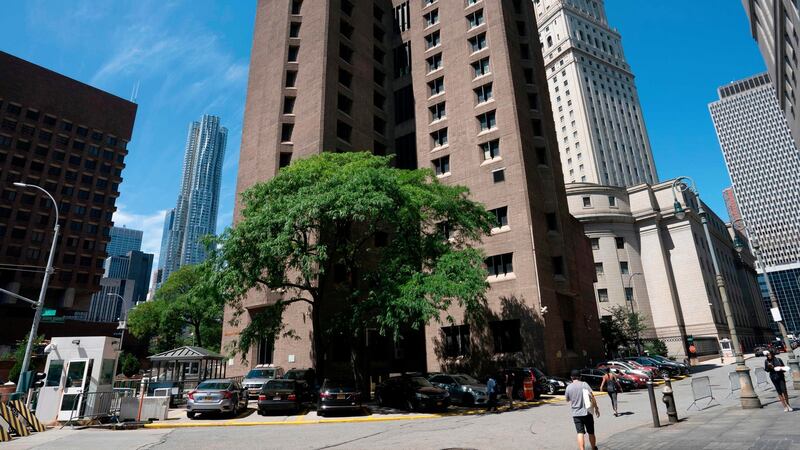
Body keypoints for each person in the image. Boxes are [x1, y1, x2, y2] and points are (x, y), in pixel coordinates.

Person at [565, 369, 599, 450]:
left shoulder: (568, 387)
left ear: (571, 377)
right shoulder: (584, 384)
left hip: (576, 414)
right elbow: (592, 397)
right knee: (591, 432)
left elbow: (567, 399)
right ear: (580, 377)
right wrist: (596, 408)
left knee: (580, 433)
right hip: (587, 413)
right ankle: (593, 448)